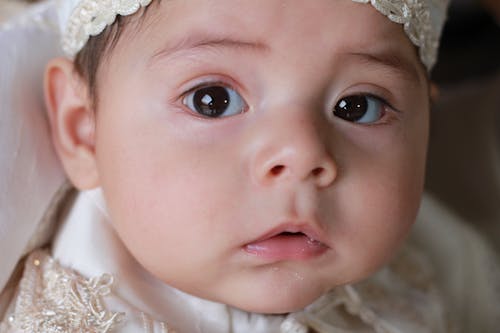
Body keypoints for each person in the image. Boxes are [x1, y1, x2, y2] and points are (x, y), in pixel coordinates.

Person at [0, 0, 498, 332]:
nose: (303, 154)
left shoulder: (440, 260)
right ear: (84, 128)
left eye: (359, 106)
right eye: (212, 100)